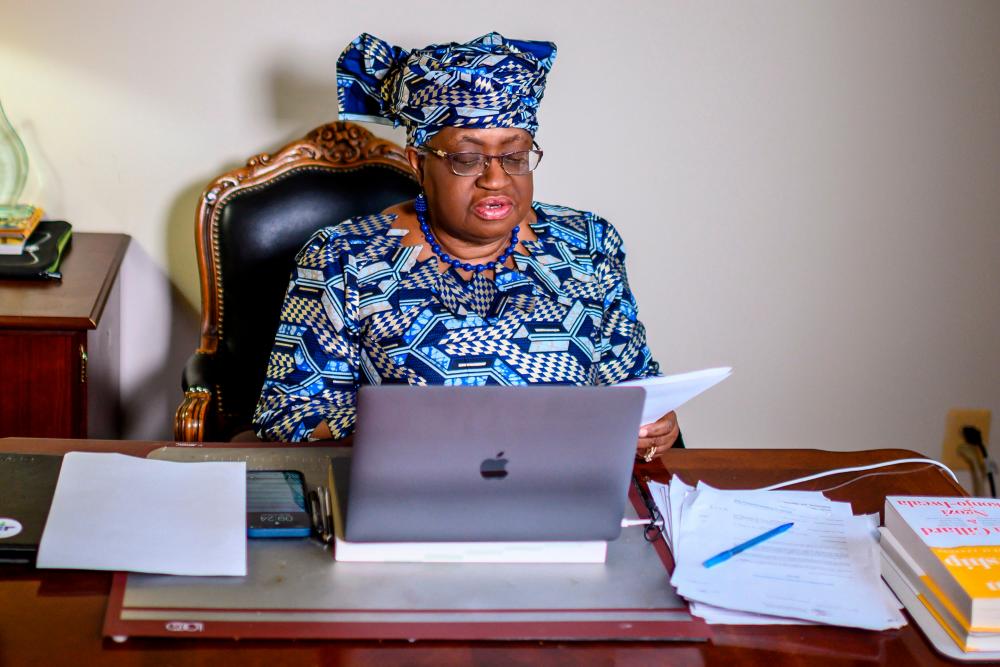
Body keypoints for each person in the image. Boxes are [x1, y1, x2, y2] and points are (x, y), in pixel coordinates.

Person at [253, 32, 679, 460]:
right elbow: (289, 419)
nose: (496, 179)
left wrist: (656, 427)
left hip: (563, 489)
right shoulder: (343, 257)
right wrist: (410, 434)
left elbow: (634, 387)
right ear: (419, 163)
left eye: (514, 157)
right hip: (409, 494)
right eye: (467, 158)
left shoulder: (588, 245)